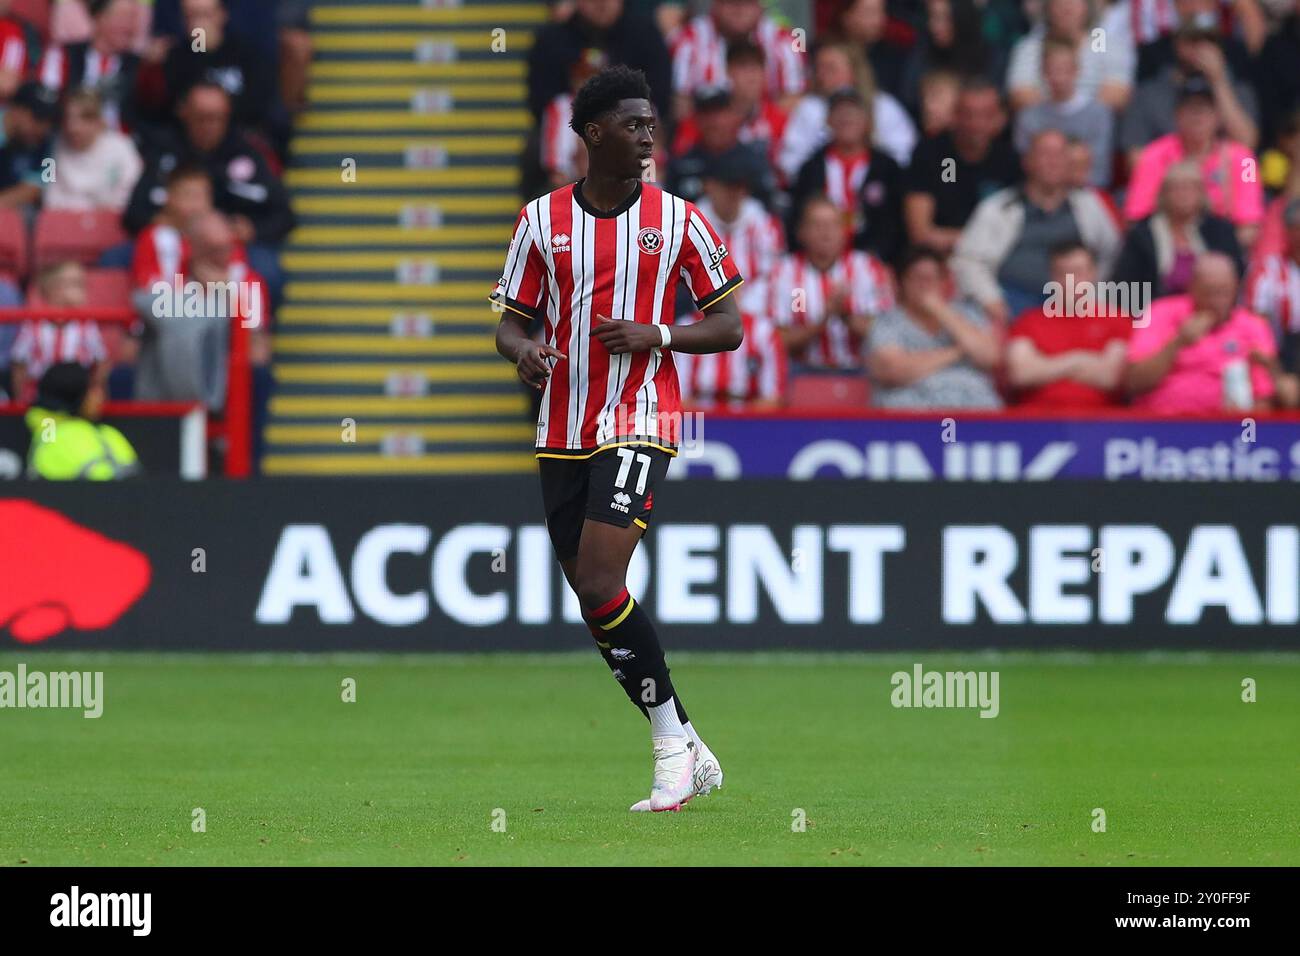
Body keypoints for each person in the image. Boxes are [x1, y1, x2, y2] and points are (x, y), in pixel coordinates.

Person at [491, 65, 741, 813]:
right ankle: (687, 741)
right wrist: (524, 351)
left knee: (601, 578)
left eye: (652, 123)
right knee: (592, 595)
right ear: (593, 133)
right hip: (562, 424)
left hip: (642, 413)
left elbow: (730, 327)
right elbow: (510, 322)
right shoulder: (540, 221)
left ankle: (669, 752)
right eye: (634, 124)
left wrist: (656, 332)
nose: (648, 135)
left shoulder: (681, 219)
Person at [951, 129, 1122, 324]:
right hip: (1010, 307)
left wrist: (1091, 295)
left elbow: (1112, 255)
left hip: (1075, 309)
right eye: (1044, 154)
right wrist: (992, 301)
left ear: (1069, 163)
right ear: (1027, 162)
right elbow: (968, 261)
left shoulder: (1091, 206)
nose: (1052, 162)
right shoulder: (997, 208)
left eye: (1059, 155)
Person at [1124, 252, 1277, 412]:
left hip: (1227, 428)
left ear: (1235, 287)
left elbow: (1263, 399)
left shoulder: (1253, 326)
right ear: (1192, 287)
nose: (1217, 301)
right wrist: (1178, 342)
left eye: (1224, 292)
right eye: (1210, 293)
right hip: (1162, 424)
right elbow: (1134, 382)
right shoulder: (1160, 312)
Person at [1123, 76, 1264, 248]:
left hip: (1222, 249)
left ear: (1218, 116)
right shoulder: (1152, 155)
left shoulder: (1245, 161)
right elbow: (1136, 217)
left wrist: (1220, 253)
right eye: (1190, 108)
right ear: (1176, 115)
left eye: (1205, 109)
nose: (1198, 116)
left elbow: (1250, 225)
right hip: (1167, 245)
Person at [866, 246, 1002, 409]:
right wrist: (957, 352)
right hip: (911, 415)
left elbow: (988, 356)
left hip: (973, 410)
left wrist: (939, 309)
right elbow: (893, 370)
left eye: (932, 278)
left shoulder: (968, 313)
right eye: (918, 278)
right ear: (902, 283)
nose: (925, 285)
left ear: (944, 282)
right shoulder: (888, 322)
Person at [770, 195, 895, 371]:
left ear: (845, 231)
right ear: (801, 232)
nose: (825, 233)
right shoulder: (783, 272)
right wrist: (822, 321)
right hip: (802, 371)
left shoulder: (868, 268)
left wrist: (845, 315)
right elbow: (776, 341)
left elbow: (889, 337)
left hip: (860, 370)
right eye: (817, 225)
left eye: (833, 225)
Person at [1005, 242, 1132, 408]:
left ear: (1093, 273)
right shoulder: (1029, 321)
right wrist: (1078, 361)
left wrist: (1045, 366)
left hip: (1101, 422)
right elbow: (1020, 374)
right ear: (1052, 277)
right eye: (1063, 273)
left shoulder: (1117, 319)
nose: (1071, 282)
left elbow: (1111, 377)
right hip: (1034, 420)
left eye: (1079, 273)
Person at [902, 78, 1021, 255]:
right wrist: (979, 240)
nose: (976, 124)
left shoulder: (1010, 159)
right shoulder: (930, 153)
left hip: (995, 260)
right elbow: (920, 233)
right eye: (969, 115)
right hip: (940, 257)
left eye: (986, 115)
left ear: (1000, 119)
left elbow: (1017, 232)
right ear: (955, 116)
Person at [787, 88, 904, 264]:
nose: (846, 118)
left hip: (874, 260)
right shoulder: (810, 169)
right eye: (840, 112)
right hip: (816, 262)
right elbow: (797, 220)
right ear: (828, 120)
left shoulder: (887, 168)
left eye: (853, 112)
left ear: (867, 121)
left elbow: (895, 223)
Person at [777, 40, 917, 177]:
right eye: (819, 68)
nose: (822, 76)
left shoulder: (883, 106)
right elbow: (791, 160)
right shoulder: (809, 108)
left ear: (854, 71)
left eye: (831, 68)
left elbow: (903, 153)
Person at [1113, 160, 1243, 298]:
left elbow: (1234, 276)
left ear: (1202, 193)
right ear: (1163, 194)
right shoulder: (1142, 234)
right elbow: (1125, 287)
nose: (1183, 194)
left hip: (1211, 310)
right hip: (1153, 311)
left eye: (1190, 188)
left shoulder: (1220, 231)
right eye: (1176, 188)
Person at [670, 0, 805, 119]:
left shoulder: (783, 40)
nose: (739, 10)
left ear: (759, 6)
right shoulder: (688, 39)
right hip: (705, 133)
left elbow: (792, 99)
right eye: (732, 2)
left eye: (747, 3)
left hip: (767, 135)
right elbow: (680, 102)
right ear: (716, 4)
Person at [1012, 37, 1114, 187]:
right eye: (1052, 70)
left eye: (1064, 69)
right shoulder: (1029, 116)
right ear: (1043, 72)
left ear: (1077, 70)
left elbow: (1099, 171)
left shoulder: (1098, 114)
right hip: (1041, 194)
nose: (1059, 78)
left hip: (1085, 192)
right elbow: (1025, 167)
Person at [695, 145, 784, 316]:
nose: (732, 194)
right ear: (709, 186)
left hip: (756, 315)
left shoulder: (763, 223)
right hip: (703, 315)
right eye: (726, 186)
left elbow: (772, 274)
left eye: (738, 186)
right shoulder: (692, 224)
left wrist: (745, 308)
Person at [1006, 0, 1135, 111]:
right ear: (1047, 7)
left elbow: (1117, 95)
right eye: (1059, 1)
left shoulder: (1102, 41)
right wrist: (1058, 117)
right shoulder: (1031, 46)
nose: (1066, 7)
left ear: (1087, 5)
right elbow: (1020, 96)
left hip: (1094, 128)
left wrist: (1074, 115)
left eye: (1074, 1)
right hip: (1043, 130)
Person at [9, 261, 108, 406]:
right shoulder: (33, 325)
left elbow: (101, 362)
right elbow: (19, 365)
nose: (83, 290)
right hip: (40, 398)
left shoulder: (86, 324)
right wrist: (19, 403)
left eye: (82, 284)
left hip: (77, 400)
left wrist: (94, 392)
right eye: (75, 284)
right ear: (52, 289)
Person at [37, 0, 141, 132]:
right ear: (99, 18)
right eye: (123, 18)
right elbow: (46, 100)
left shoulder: (139, 66)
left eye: (133, 19)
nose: (129, 26)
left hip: (120, 143)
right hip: (67, 138)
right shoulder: (65, 55)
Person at [25, 360, 139, 479]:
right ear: (74, 396)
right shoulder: (55, 437)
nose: (100, 396)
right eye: (92, 389)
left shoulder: (106, 432)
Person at [44, 87, 143, 211]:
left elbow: (131, 191)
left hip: (109, 223)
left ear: (99, 121)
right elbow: (47, 193)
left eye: (85, 119)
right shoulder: (52, 148)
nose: (73, 127)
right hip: (63, 224)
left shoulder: (123, 148)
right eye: (68, 118)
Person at [676, 310, 787, 408]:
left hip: (748, 420)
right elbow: (679, 398)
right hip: (700, 419)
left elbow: (773, 399)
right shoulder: (685, 327)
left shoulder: (763, 330)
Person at [0, 82, 58, 210]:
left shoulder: (47, 142)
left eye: (50, 120)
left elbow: (36, 188)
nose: (44, 128)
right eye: (38, 118)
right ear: (15, 109)